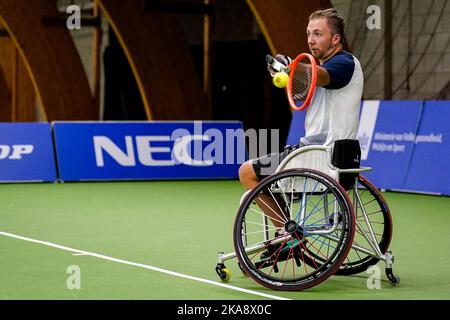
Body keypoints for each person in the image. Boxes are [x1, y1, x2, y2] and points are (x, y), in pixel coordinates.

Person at [238, 8, 364, 230]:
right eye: (308, 34)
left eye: (318, 34)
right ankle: (287, 227)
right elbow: (307, 77)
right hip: (332, 154)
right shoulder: (326, 65)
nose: (310, 40)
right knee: (261, 175)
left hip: (321, 155)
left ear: (335, 39)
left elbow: (319, 76)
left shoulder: (345, 63)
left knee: (247, 172)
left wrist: (290, 67)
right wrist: (287, 66)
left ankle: (287, 234)